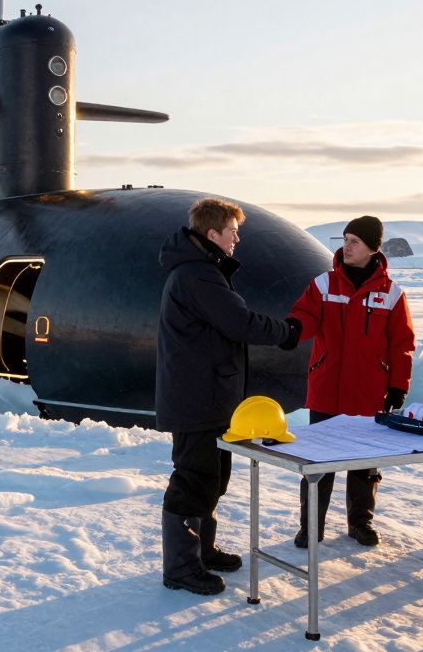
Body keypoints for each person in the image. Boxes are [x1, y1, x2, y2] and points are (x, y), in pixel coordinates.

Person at [156, 198, 301, 596]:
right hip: (196, 400)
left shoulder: (202, 272)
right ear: (212, 233)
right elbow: (239, 322)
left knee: (213, 480)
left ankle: (201, 550)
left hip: (211, 397)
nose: (237, 239)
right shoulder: (198, 276)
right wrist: (288, 332)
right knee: (193, 481)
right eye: (233, 231)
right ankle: (182, 567)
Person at [287, 215, 415, 548]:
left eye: (355, 241)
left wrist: (398, 385)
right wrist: (293, 330)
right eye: (345, 239)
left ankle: (361, 523)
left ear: (373, 248)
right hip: (327, 390)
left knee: (364, 464)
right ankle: (310, 526)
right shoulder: (324, 284)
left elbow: (402, 344)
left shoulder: (391, 294)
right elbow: (305, 315)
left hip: (367, 393)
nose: (347, 246)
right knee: (319, 462)